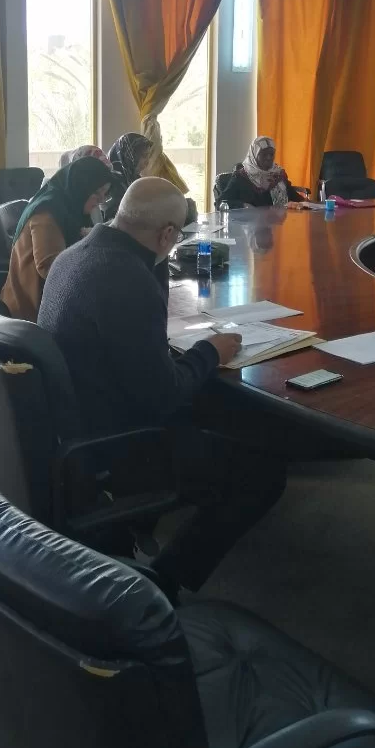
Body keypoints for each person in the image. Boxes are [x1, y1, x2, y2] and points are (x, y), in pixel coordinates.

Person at [38, 176, 287, 592]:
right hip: (117, 444)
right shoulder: (127, 279)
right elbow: (162, 397)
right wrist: (209, 351)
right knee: (262, 473)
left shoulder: (74, 255)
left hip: (76, 424)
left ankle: (141, 522)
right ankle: (165, 584)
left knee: (214, 408)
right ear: (168, 233)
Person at [0, 156, 111, 320]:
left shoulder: (71, 207)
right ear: (80, 187)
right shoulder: (47, 212)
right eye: (96, 193)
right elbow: (51, 267)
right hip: (32, 310)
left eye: (105, 194)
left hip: (54, 297)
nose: (101, 200)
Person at [215, 136, 305, 208]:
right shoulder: (241, 177)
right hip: (253, 223)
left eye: (271, 154)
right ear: (254, 156)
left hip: (282, 222)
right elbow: (220, 202)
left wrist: (306, 203)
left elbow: (292, 195)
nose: (269, 158)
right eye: (264, 154)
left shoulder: (278, 174)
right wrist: (243, 205)